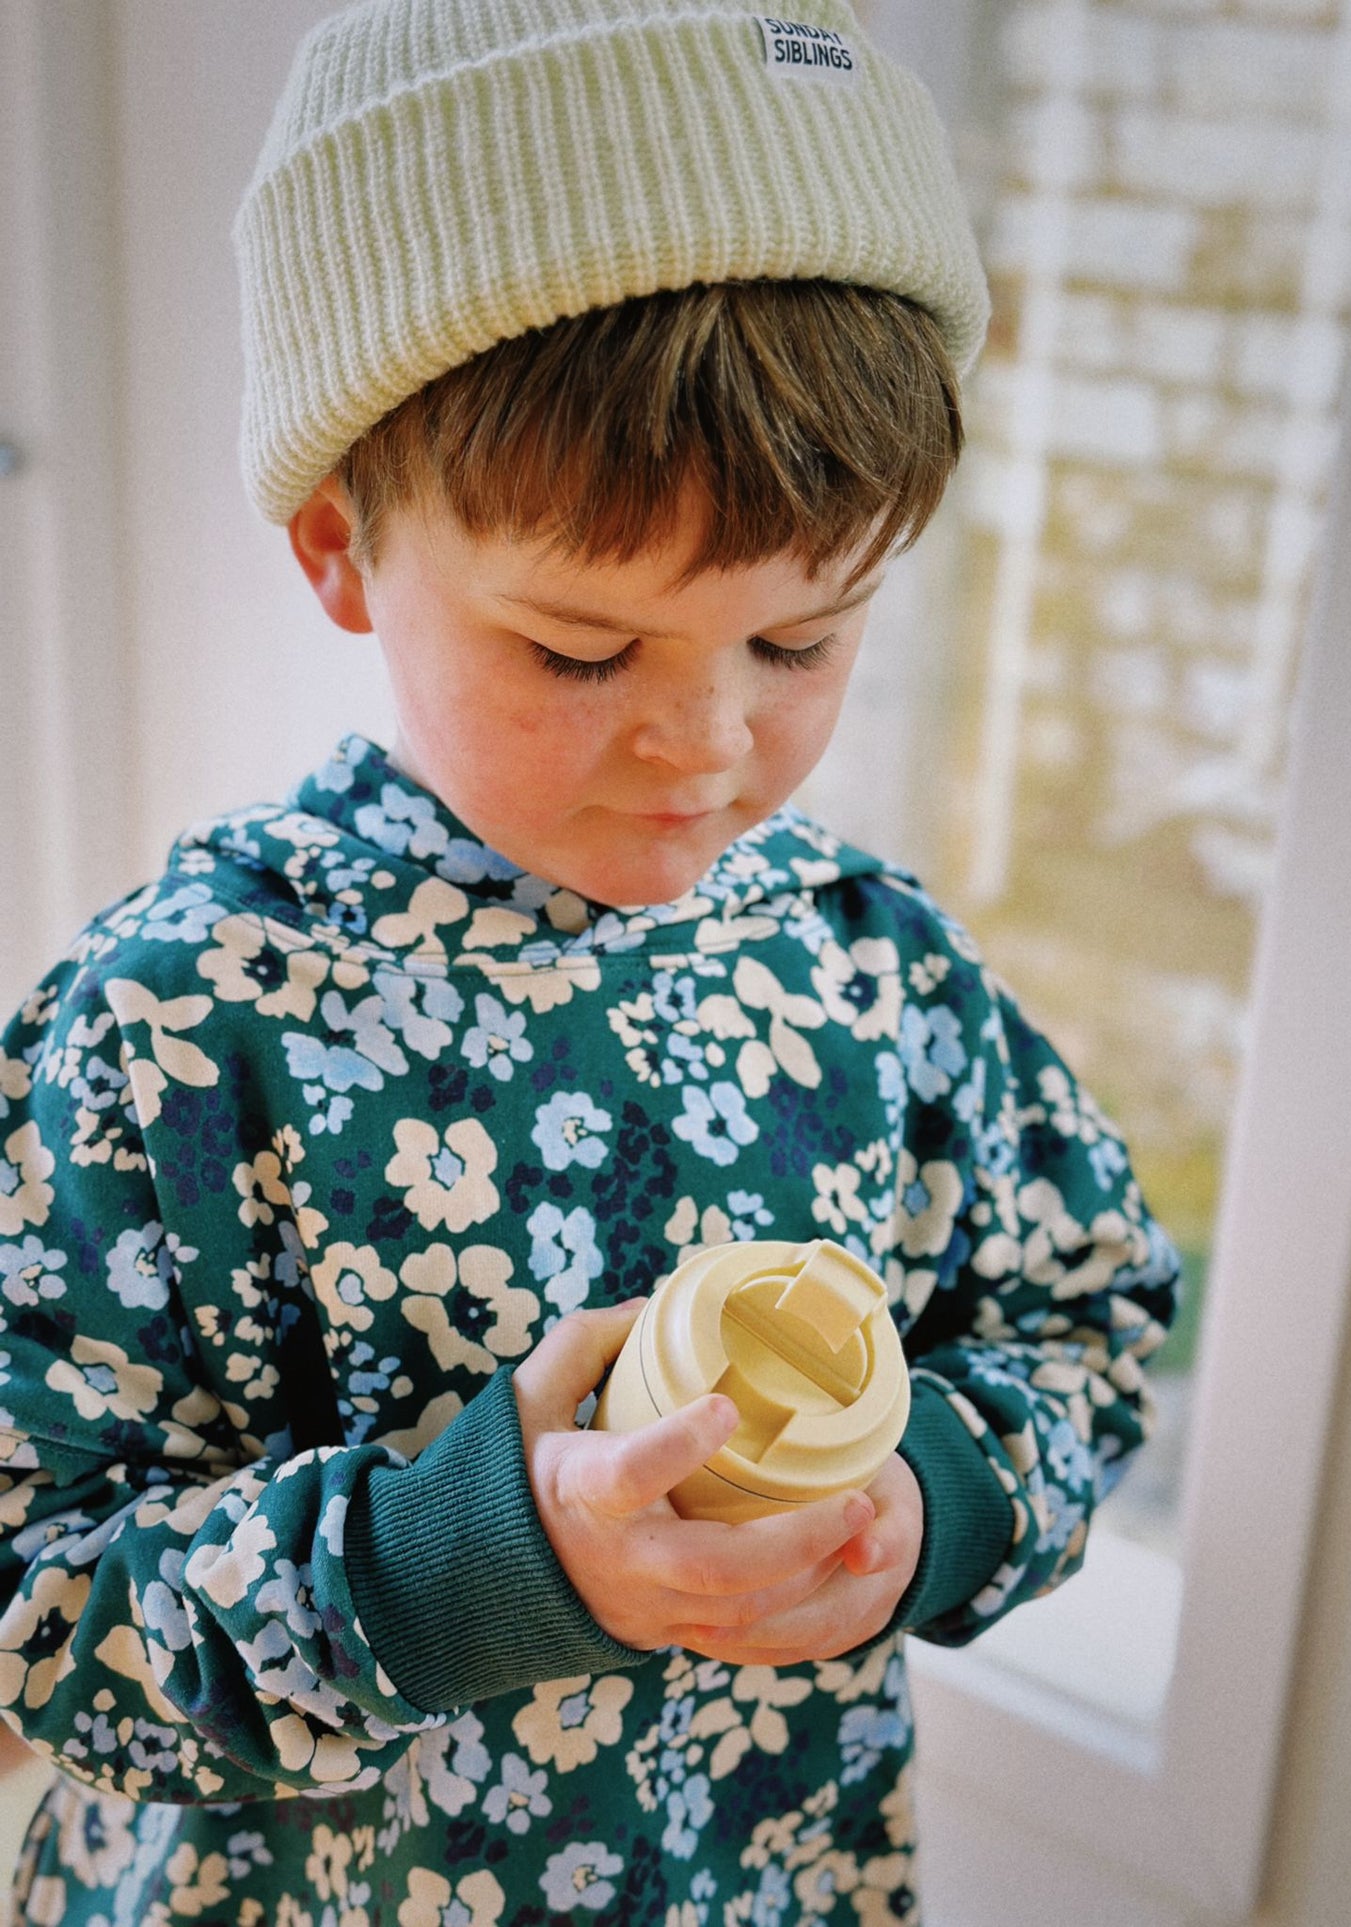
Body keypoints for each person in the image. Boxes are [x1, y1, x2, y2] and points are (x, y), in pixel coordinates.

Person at [0, 1, 1180, 1920]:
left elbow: (1088, 1318)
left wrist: (932, 1508)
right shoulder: (174, 1033)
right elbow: (33, 1597)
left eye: (798, 643)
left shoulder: (867, 973)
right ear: (340, 549)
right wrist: (470, 1559)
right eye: (581, 649)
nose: (706, 746)